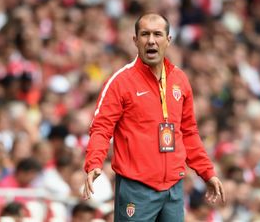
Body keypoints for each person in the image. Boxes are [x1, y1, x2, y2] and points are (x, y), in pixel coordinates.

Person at [83, 13, 225, 222]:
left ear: (168, 40)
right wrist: (94, 163)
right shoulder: (121, 81)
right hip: (136, 188)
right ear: (135, 40)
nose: (151, 40)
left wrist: (207, 172)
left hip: (174, 189)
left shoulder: (180, 80)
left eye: (157, 34)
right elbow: (101, 128)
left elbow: (189, 132)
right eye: (145, 34)